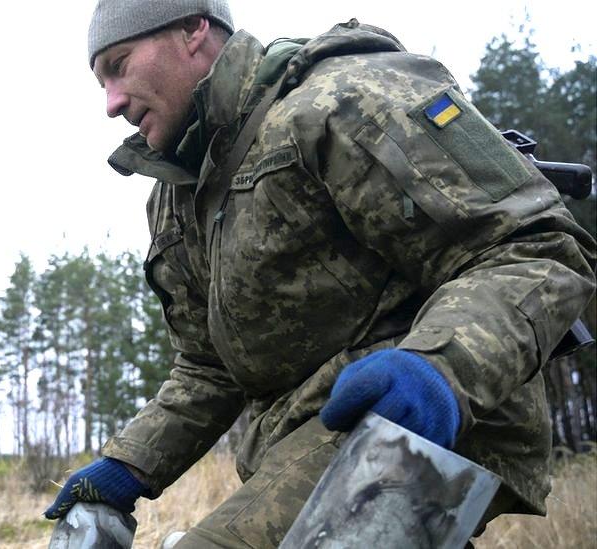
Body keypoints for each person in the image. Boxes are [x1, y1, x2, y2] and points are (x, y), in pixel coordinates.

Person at [44, 1, 597, 546]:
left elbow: (535, 247)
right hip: (306, 438)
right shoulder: (176, 195)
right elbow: (210, 367)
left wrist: (438, 370)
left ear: (193, 29)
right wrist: (128, 466)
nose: (112, 104)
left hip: (436, 415)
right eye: (100, 83)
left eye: (119, 65)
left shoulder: (339, 98)